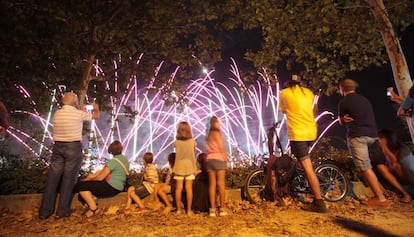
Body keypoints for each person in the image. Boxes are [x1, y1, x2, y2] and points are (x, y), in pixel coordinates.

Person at [39, 92, 100, 220]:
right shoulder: (78, 114)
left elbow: (74, 112)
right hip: (73, 147)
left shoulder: (58, 113)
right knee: (69, 179)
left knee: (52, 178)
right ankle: (62, 212)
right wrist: (96, 107)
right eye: (77, 101)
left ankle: (44, 212)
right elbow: (96, 116)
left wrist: (80, 108)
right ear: (74, 102)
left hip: (58, 147)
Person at [279, 74, 327, 213]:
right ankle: (310, 184)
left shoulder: (285, 93)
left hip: (298, 134)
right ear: (300, 83)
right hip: (311, 132)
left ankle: (319, 202)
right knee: (302, 164)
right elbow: (315, 110)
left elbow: (283, 110)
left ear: (289, 84)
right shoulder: (308, 92)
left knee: (307, 167)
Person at [338, 78, 390, 207]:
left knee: (365, 168)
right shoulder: (365, 100)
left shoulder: (344, 102)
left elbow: (341, 121)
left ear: (342, 89)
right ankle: (379, 193)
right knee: (371, 166)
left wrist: (343, 119)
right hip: (372, 136)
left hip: (357, 136)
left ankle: (381, 199)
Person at [74, 140, 129, 218]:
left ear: (111, 151)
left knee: (82, 186)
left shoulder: (113, 162)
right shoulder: (125, 160)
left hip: (111, 186)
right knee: (87, 188)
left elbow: (100, 178)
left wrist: (89, 179)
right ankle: (93, 204)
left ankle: (93, 209)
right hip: (120, 187)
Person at [376, 129, 414, 202]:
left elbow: (398, 161)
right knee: (381, 167)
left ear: (388, 138)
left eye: (381, 137)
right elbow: (389, 164)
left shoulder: (402, 148)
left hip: (410, 174)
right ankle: (405, 194)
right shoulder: (383, 151)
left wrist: (384, 147)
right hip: (400, 176)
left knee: (397, 165)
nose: (378, 140)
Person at [205, 116, 228, 217]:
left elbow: (207, 148)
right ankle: (222, 208)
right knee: (221, 184)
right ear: (215, 123)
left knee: (212, 185)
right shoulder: (217, 133)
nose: (220, 124)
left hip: (209, 160)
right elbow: (221, 146)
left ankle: (212, 209)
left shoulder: (209, 135)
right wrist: (225, 158)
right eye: (218, 122)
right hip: (219, 159)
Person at [173, 121, 197, 216]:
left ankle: (178, 210)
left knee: (178, 188)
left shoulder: (176, 142)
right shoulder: (192, 142)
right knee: (189, 188)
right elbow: (193, 151)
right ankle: (189, 210)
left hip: (179, 165)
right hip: (190, 165)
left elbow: (176, 149)